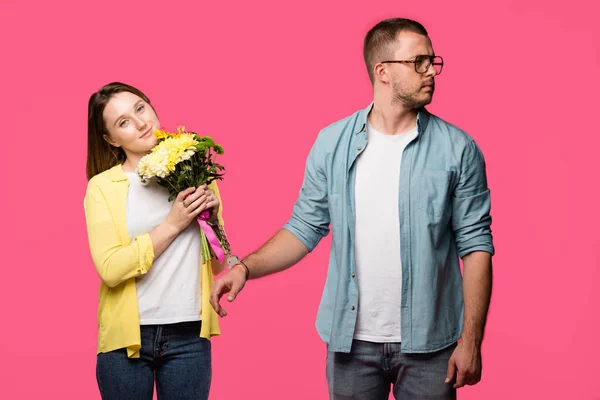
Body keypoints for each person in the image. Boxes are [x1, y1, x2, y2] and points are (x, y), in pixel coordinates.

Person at [210, 18, 495, 399]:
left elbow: (475, 246)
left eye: (432, 61)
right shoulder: (331, 143)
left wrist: (472, 340)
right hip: (351, 344)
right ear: (383, 72)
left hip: (431, 344)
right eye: (419, 61)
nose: (431, 71)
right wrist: (244, 267)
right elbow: (303, 227)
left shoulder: (458, 149)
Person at [84, 82, 232, 399]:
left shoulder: (194, 170)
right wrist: (173, 224)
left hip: (190, 334)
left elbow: (217, 263)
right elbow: (110, 269)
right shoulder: (102, 188)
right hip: (125, 342)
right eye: (123, 121)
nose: (140, 122)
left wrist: (213, 221)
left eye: (140, 108)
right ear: (110, 139)